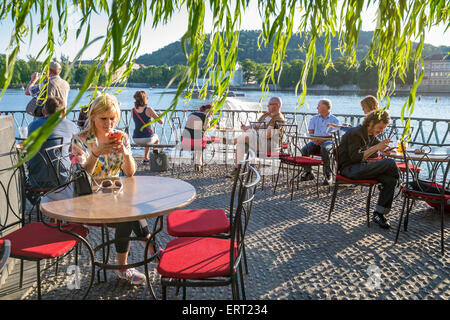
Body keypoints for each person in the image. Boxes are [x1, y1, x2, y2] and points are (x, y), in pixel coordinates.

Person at [70, 93, 157, 285]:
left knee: (129, 208)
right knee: (129, 209)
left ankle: (132, 263)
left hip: (116, 195)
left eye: (112, 119)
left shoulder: (122, 137)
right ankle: (150, 254)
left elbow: (131, 173)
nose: (109, 123)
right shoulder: (80, 140)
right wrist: (95, 153)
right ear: (92, 116)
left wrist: (126, 154)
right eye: (103, 118)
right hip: (88, 199)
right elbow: (82, 176)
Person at [338, 109, 400, 229]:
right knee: (390, 163)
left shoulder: (371, 135)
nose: (381, 131)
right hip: (349, 169)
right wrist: (377, 147)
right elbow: (355, 157)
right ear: (371, 122)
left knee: (390, 180)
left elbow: (377, 151)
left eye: (383, 129)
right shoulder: (356, 133)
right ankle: (402, 184)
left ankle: (379, 214)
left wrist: (385, 150)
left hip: (361, 168)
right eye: (380, 128)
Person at [27, 96, 78, 189]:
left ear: (43, 112)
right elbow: (74, 149)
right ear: (63, 112)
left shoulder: (32, 125)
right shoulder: (72, 126)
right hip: (62, 180)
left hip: (36, 181)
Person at [226, 97, 285, 178]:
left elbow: (267, 134)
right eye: (268, 104)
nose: (267, 106)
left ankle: (232, 141)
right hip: (259, 142)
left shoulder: (278, 118)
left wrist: (254, 132)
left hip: (270, 145)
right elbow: (256, 125)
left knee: (248, 135)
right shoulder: (266, 114)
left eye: (270, 104)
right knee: (240, 144)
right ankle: (237, 169)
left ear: (277, 105)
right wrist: (247, 127)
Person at [300, 99, 338, 185]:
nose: (317, 107)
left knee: (325, 148)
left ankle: (328, 175)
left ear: (324, 107)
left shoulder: (334, 120)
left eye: (319, 106)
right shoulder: (314, 118)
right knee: (304, 150)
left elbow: (334, 136)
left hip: (328, 142)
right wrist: (315, 140)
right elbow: (311, 133)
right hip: (315, 141)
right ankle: (308, 173)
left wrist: (322, 140)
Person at [131, 90, 164, 163]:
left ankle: (146, 158)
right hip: (146, 139)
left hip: (135, 138)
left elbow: (139, 121)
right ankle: (155, 158)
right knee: (155, 137)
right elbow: (161, 122)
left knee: (148, 136)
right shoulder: (149, 109)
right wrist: (160, 116)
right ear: (144, 99)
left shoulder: (133, 110)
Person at [181, 104, 213, 171]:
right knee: (202, 140)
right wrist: (209, 119)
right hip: (195, 142)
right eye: (212, 111)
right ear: (208, 111)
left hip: (184, 140)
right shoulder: (206, 116)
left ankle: (198, 162)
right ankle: (198, 163)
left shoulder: (192, 114)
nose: (212, 113)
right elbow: (206, 128)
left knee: (198, 136)